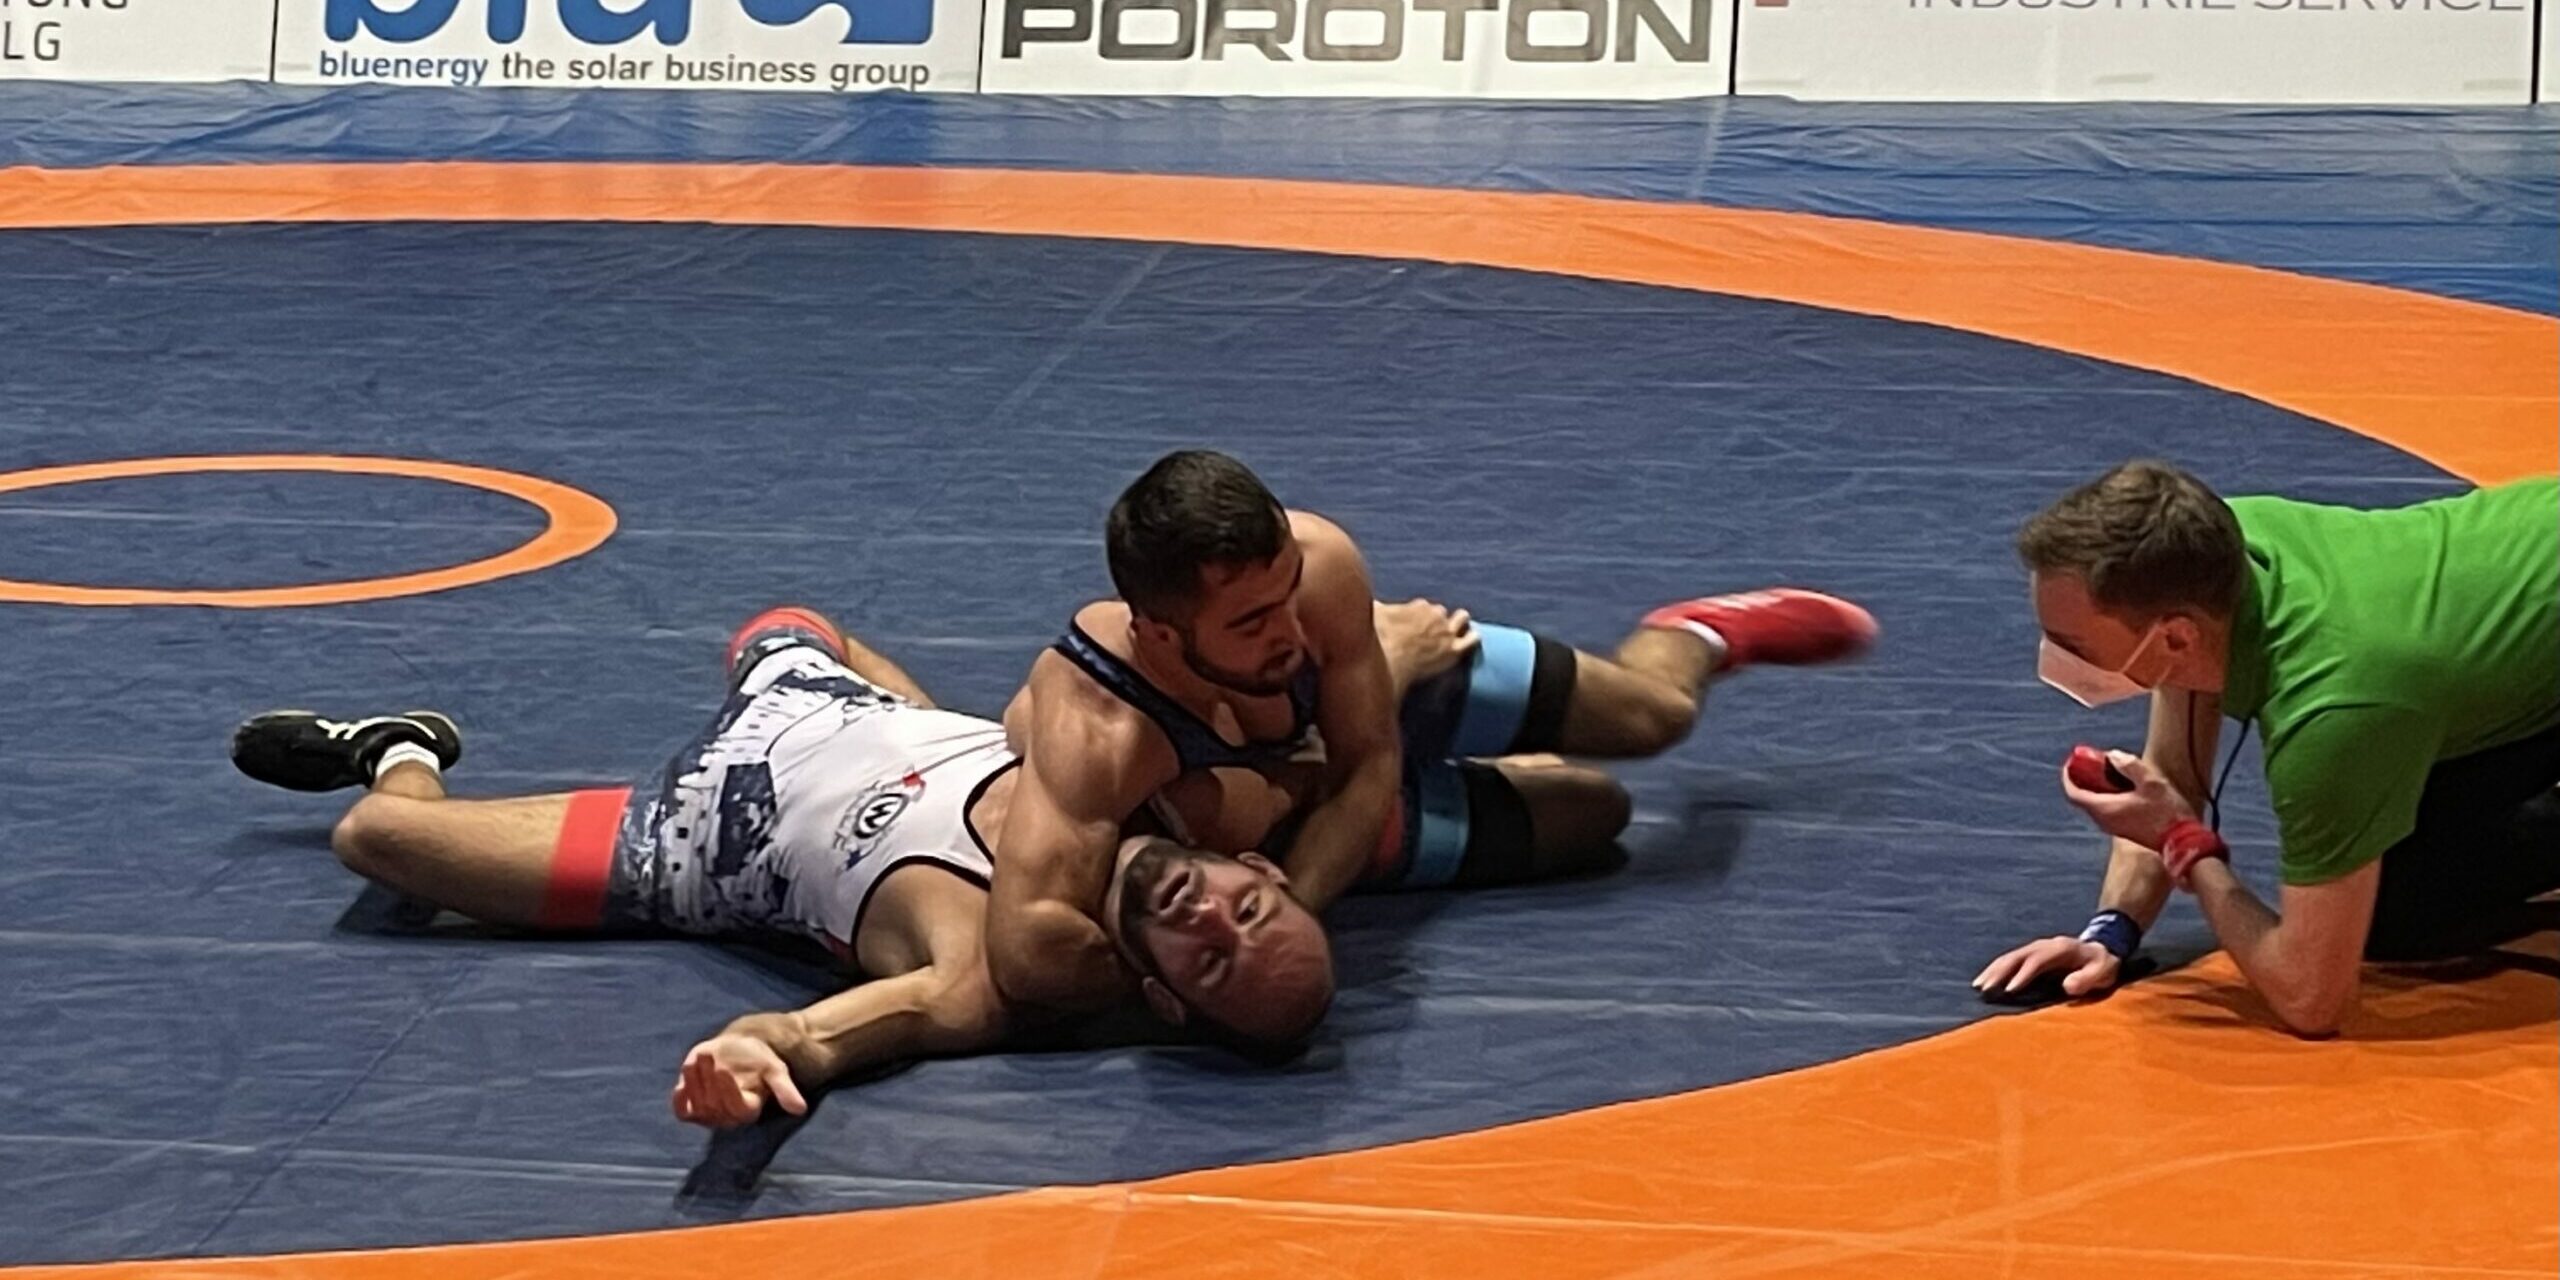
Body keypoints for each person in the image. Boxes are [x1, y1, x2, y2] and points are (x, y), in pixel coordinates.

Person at [227, 606, 1338, 1129]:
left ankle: (397, 746)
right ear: (1254, 868)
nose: (1209, 915)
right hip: (827, 703)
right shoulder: (1165, 780)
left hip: (691, 837)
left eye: (1210, 958)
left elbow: (818, 1036)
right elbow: (1331, 716)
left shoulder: (985, 975)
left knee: (377, 841)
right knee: (785, 616)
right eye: (1245, 909)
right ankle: (896, 711)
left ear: (1162, 996)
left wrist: (747, 1053)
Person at [986, 449, 1881, 1016]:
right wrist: (1212, 970)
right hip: (1296, 807)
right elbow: (1026, 949)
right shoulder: (1098, 721)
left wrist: (1286, 911)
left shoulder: (1319, 568)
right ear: (1158, 635)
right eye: (1251, 623)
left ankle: (1696, 633)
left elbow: (1367, 760)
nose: (1289, 633)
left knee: (1657, 718)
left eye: (1286, 594)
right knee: (1594, 813)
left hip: (1374, 701)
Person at [1974, 462, 2559, 1035]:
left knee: (2399, 911)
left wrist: (2184, 844)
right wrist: (2111, 933)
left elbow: (2311, 999)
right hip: (2499, 619)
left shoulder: (2331, 709)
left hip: (2439, 657)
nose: (2054, 658)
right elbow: (2172, 776)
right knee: (2388, 890)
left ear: (2175, 637)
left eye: (2071, 643)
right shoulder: (2203, 561)